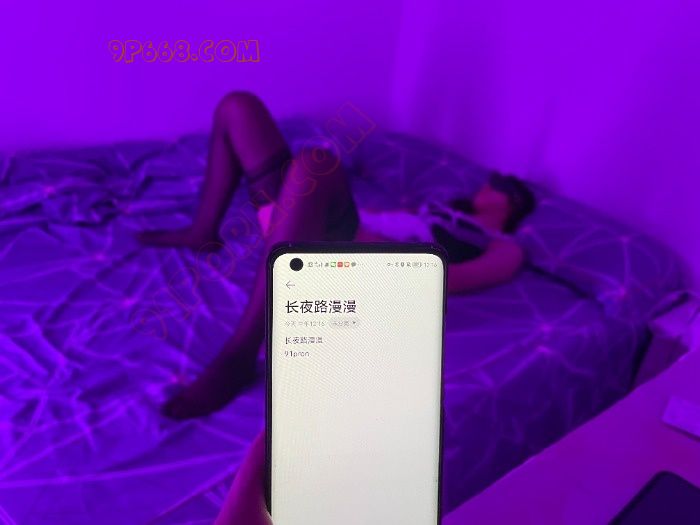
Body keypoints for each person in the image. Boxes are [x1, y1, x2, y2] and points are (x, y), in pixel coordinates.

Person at [138, 91, 536, 419]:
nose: (487, 183)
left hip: (358, 256)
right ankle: (202, 232)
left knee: (315, 163)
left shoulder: (504, 245)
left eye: (501, 183)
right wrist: (307, 207)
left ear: (512, 204)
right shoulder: (437, 211)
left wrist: (367, 242)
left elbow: (443, 279)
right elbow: (376, 217)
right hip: (320, 227)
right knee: (238, 108)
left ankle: (241, 353)